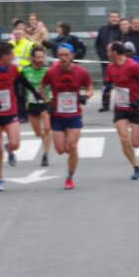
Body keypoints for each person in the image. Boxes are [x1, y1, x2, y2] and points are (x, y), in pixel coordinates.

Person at [0, 41, 41, 192]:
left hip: (10, 111)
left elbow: (23, 80)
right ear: (5, 56)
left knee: (15, 144)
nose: (14, 57)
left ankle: (9, 149)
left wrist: (35, 92)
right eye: (12, 54)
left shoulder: (12, 68)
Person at [42, 44, 94, 190]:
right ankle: (66, 139)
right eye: (61, 55)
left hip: (74, 114)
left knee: (72, 146)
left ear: (72, 56)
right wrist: (47, 102)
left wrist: (86, 96)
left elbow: (90, 88)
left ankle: (70, 177)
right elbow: (42, 87)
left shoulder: (81, 71)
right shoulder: (51, 72)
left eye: (66, 55)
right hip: (57, 115)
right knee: (60, 150)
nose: (63, 58)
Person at [106, 40, 139, 180]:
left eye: (108, 51)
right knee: (123, 137)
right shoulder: (110, 67)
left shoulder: (133, 65)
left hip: (137, 107)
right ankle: (136, 167)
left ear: (114, 53)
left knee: (136, 143)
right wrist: (106, 88)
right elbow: (108, 82)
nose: (106, 54)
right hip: (121, 107)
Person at [20, 45, 52, 168]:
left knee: (47, 128)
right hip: (32, 105)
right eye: (37, 57)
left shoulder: (47, 71)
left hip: (45, 103)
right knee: (38, 133)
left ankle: (45, 154)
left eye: (42, 57)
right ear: (32, 58)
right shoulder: (26, 71)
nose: (40, 60)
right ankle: (43, 139)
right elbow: (20, 89)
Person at [95, 9, 122, 111]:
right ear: (109, 18)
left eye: (116, 17)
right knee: (106, 84)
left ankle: (122, 103)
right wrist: (102, 56)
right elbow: (97, 44)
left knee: (122, 83)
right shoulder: (103, 29)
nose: (114, 19)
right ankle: (105, 104)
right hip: (106, 62)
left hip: (120, 62)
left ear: (119, 18)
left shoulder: (122, 30)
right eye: (112, 17)